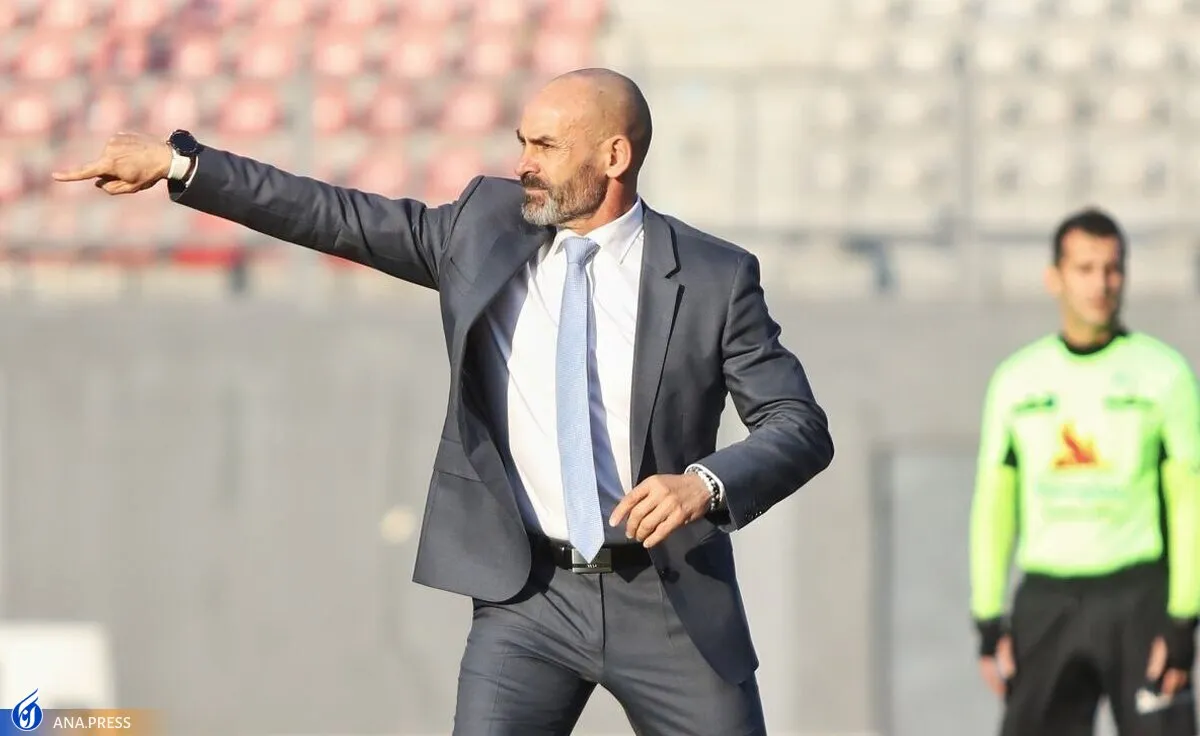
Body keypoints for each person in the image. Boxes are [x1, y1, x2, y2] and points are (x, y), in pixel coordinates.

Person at [52, 68, 835, 735]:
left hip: (668, 604)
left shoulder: (713, 277)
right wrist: (183, 166)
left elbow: (798, 425)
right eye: (522, 142)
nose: (522, 164)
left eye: (544, 146)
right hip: (529, 601)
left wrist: (703, 484)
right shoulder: (480, 229)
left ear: (614, 156)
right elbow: (333, 215)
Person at [968, 207, 1200, 736]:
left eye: (1112, 269)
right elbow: (993, 504)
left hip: (1138, 597)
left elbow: (1190, 499)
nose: (1101, 284)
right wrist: (987, 618)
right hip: (1047, 599)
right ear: (1055, 277)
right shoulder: (1017, 380)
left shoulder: (1164, 374)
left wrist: (1184, 618)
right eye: (1085, 268)